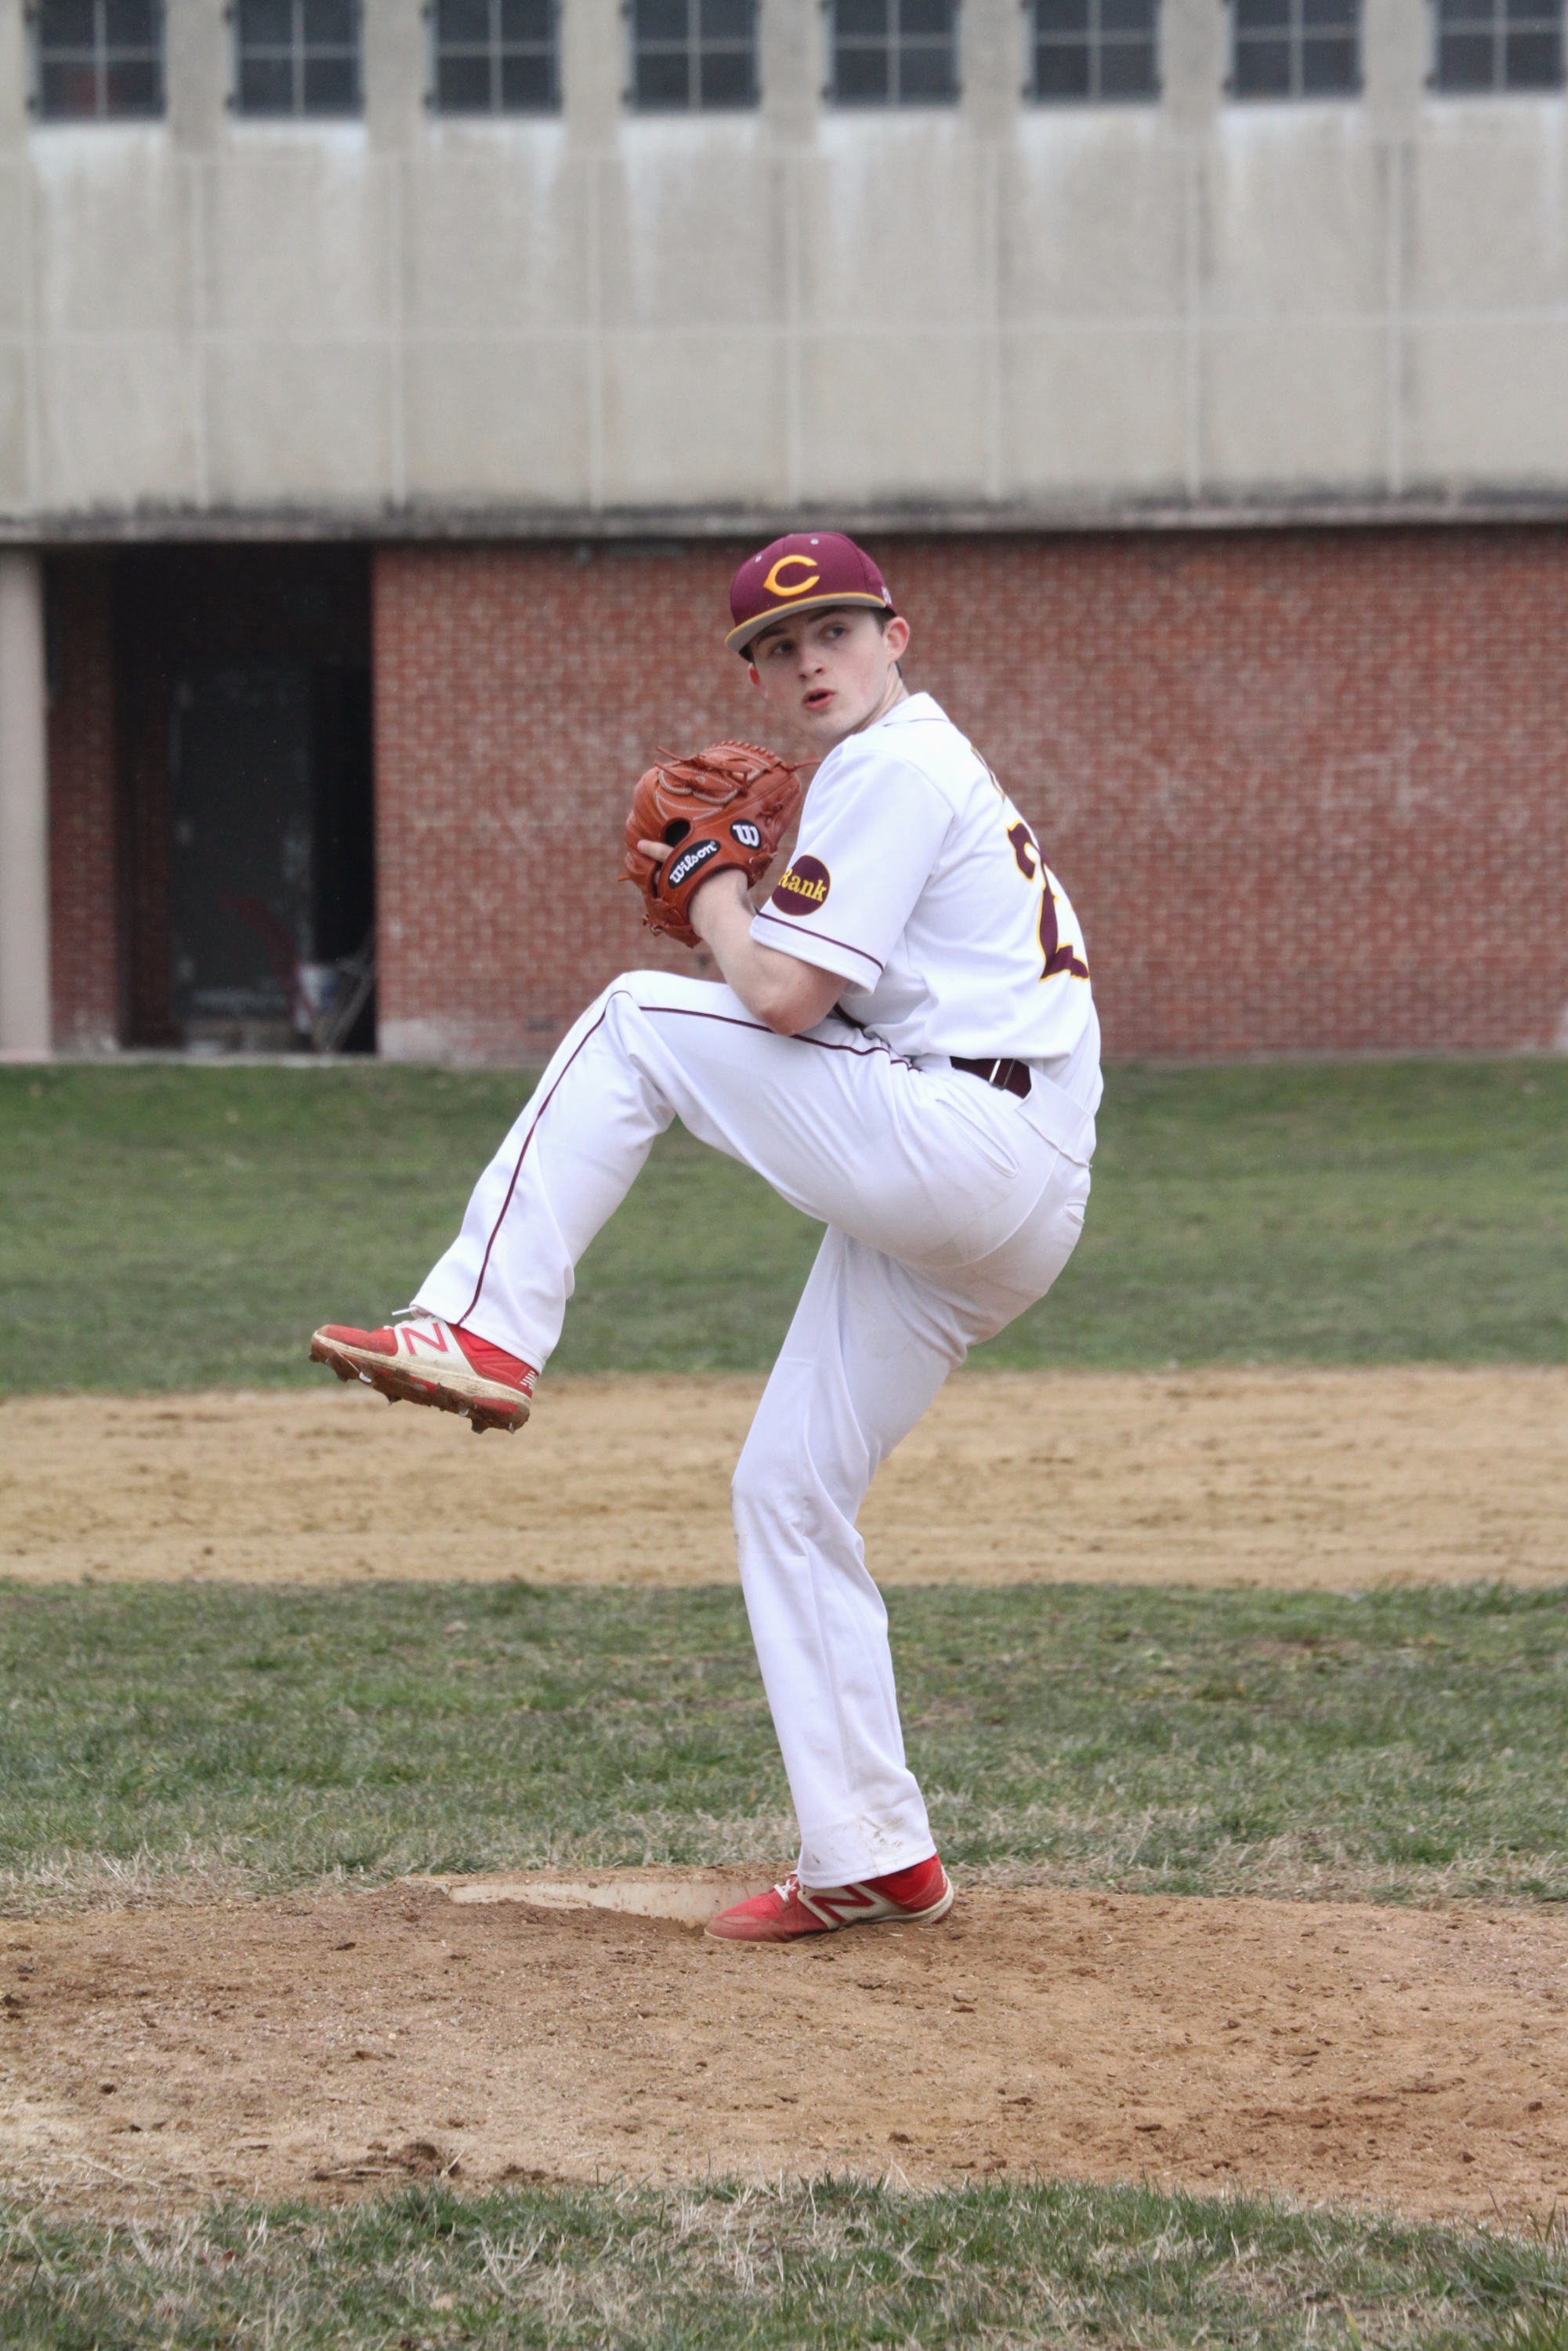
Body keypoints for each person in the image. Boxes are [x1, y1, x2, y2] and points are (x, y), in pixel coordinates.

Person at [311, 532, 1101, 1944]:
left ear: (895, 635)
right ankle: (871, 1851)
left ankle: (483, 1324)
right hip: (1000, 1187)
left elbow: (784, 999)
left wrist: (717, 894)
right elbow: (834, 1003)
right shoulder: (916, 770)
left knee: (630, 1017)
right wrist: (740, 908)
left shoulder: (890, 766)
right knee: (786, 1492)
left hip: (965, 1147)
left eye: (836, 633)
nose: (808, 662)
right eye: (777, 649)